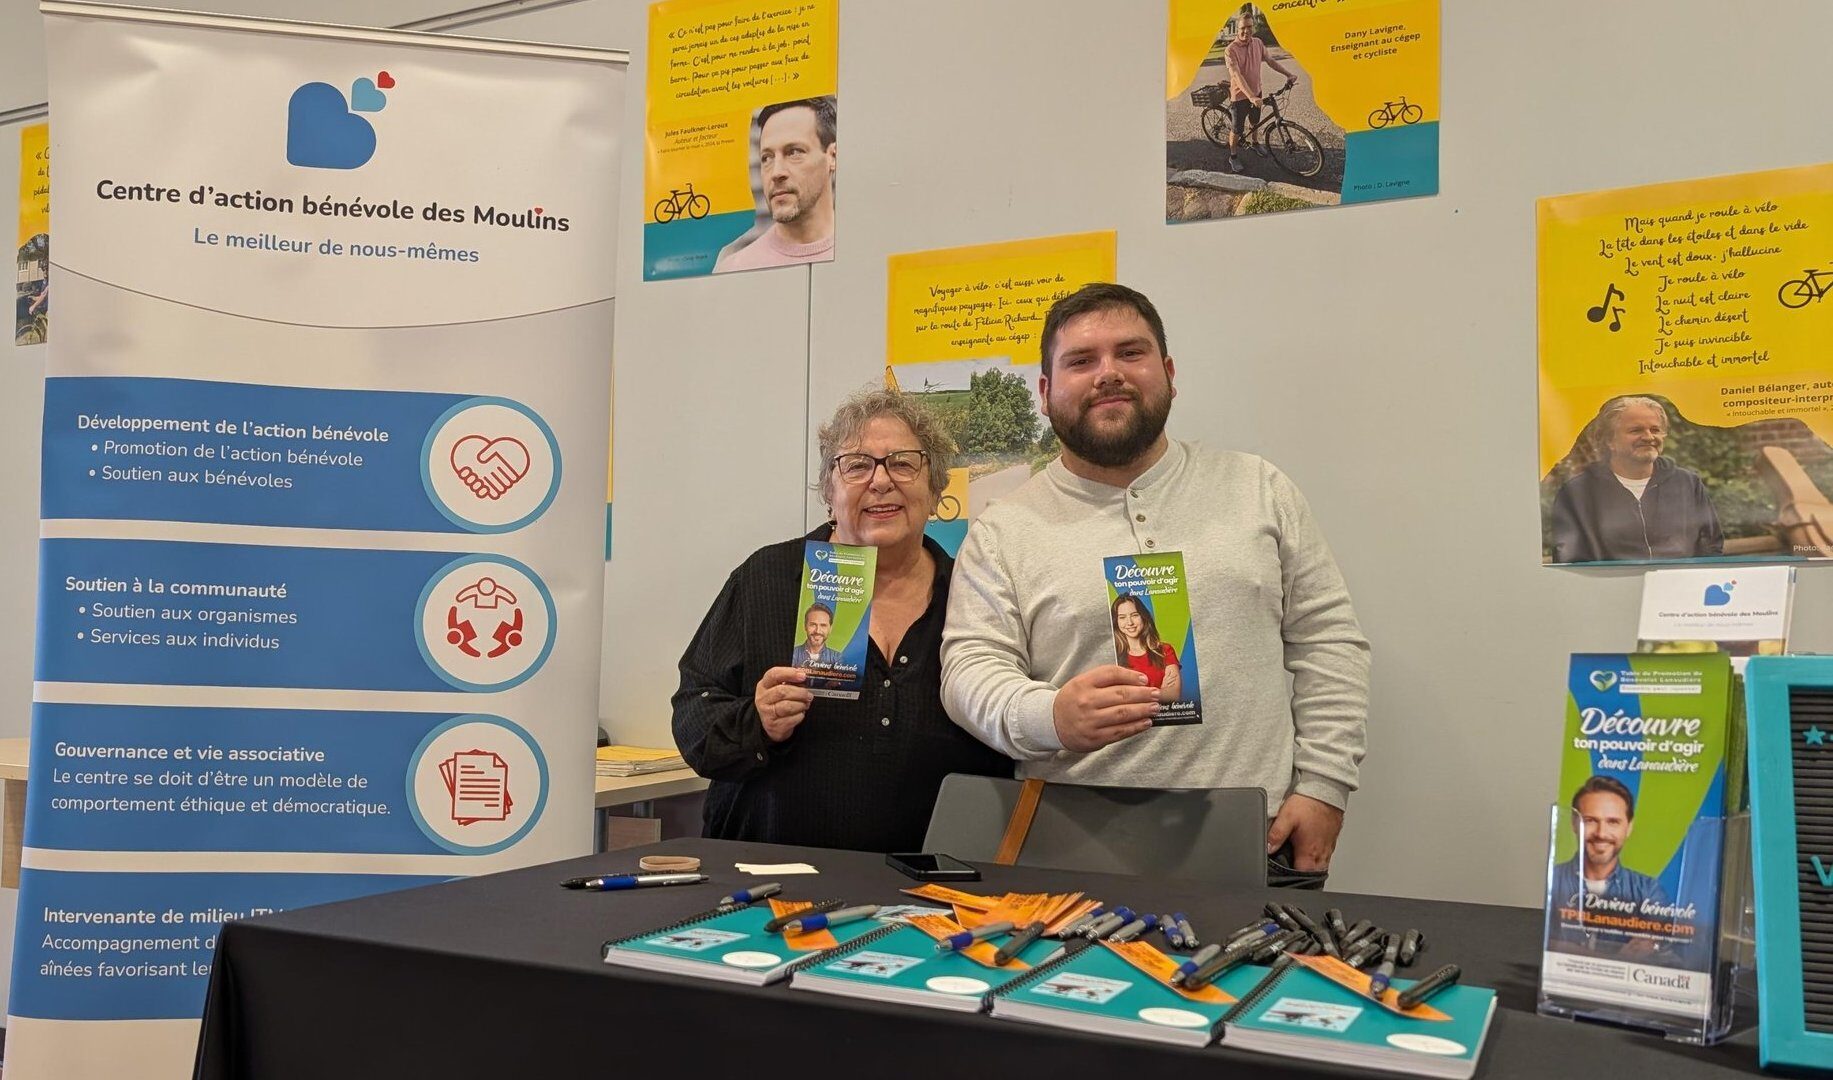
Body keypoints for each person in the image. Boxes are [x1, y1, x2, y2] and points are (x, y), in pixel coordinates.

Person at [941, 282, 1369, 883]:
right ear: (1045, 392)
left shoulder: (1258, 488)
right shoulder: (1002, 530)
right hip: (1067, 846)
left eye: (1130, 352)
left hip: (1258, 838)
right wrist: (1049, 716)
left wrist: (1325, 786)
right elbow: (968, 670)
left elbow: (1329, 642)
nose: (1108, 373)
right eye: (1081, 360)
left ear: (1168, 373)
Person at [673, 387, 1012, 851]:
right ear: (829, 493)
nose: (881, 481)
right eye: (856, 465)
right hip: (775, 875)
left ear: (936, 490)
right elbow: (692, 719)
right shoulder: (766, 579)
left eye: (903, 463)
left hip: (935, 881)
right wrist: (759, 722)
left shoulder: (977, 593)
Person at [1549, 396, 1723, 562]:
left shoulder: (1688, 483)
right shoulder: (1578, 493)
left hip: (1677, 583)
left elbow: (1711, 546)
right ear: (1609, 441)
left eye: (1655, 430)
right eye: (1636, 430)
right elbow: (1569, 559)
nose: (1649, 437)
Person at [1548, 775, 1671, 957]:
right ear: (1574, 823)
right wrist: (1614, 958)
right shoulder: (1551, 880)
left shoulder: (1649, 891)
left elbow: (1655, 953)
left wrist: (1568, 949)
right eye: (1590, 820)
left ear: (1629, 827)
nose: (1601, 833)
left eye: (1613, 822)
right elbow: (1540, 943)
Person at [712, 96, 837, 273]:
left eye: (794, 152)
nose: (776, 173)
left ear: (832, 157)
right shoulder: (734, 268)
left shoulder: (867, 250)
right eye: (767, 158)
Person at [1223, 9, 1297, 173]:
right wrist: (1250, 96)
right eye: (1243, 28)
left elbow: (1270, 61)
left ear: (1253, 27)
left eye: (1249, 27)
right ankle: (1233, 156)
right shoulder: (1230, 50)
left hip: (1256, 92)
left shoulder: (1258, 43)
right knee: (1237, 129)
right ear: (1237, 29)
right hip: (1240, 96)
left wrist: (1288, 74)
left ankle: (1255, 143)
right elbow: (1236, 74)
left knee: (1255, 121)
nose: (1246, 31)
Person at [1111, 593, 1182, 699]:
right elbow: (1116, 699)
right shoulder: (1113, 656)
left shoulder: (1165, 650)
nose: (1129, 622)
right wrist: (1159, 692)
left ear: (1143, 617)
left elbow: (1172, 695)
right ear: (1116, 622)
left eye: (1135, 615)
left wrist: (1133, 696)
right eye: (1122, 617)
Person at [792, 603, 843, 669]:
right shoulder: (793, 653)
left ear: (830, 629)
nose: (817, 631)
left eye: (823, 625)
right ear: (805, 626)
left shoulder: (837, 658)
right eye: (813, 625)